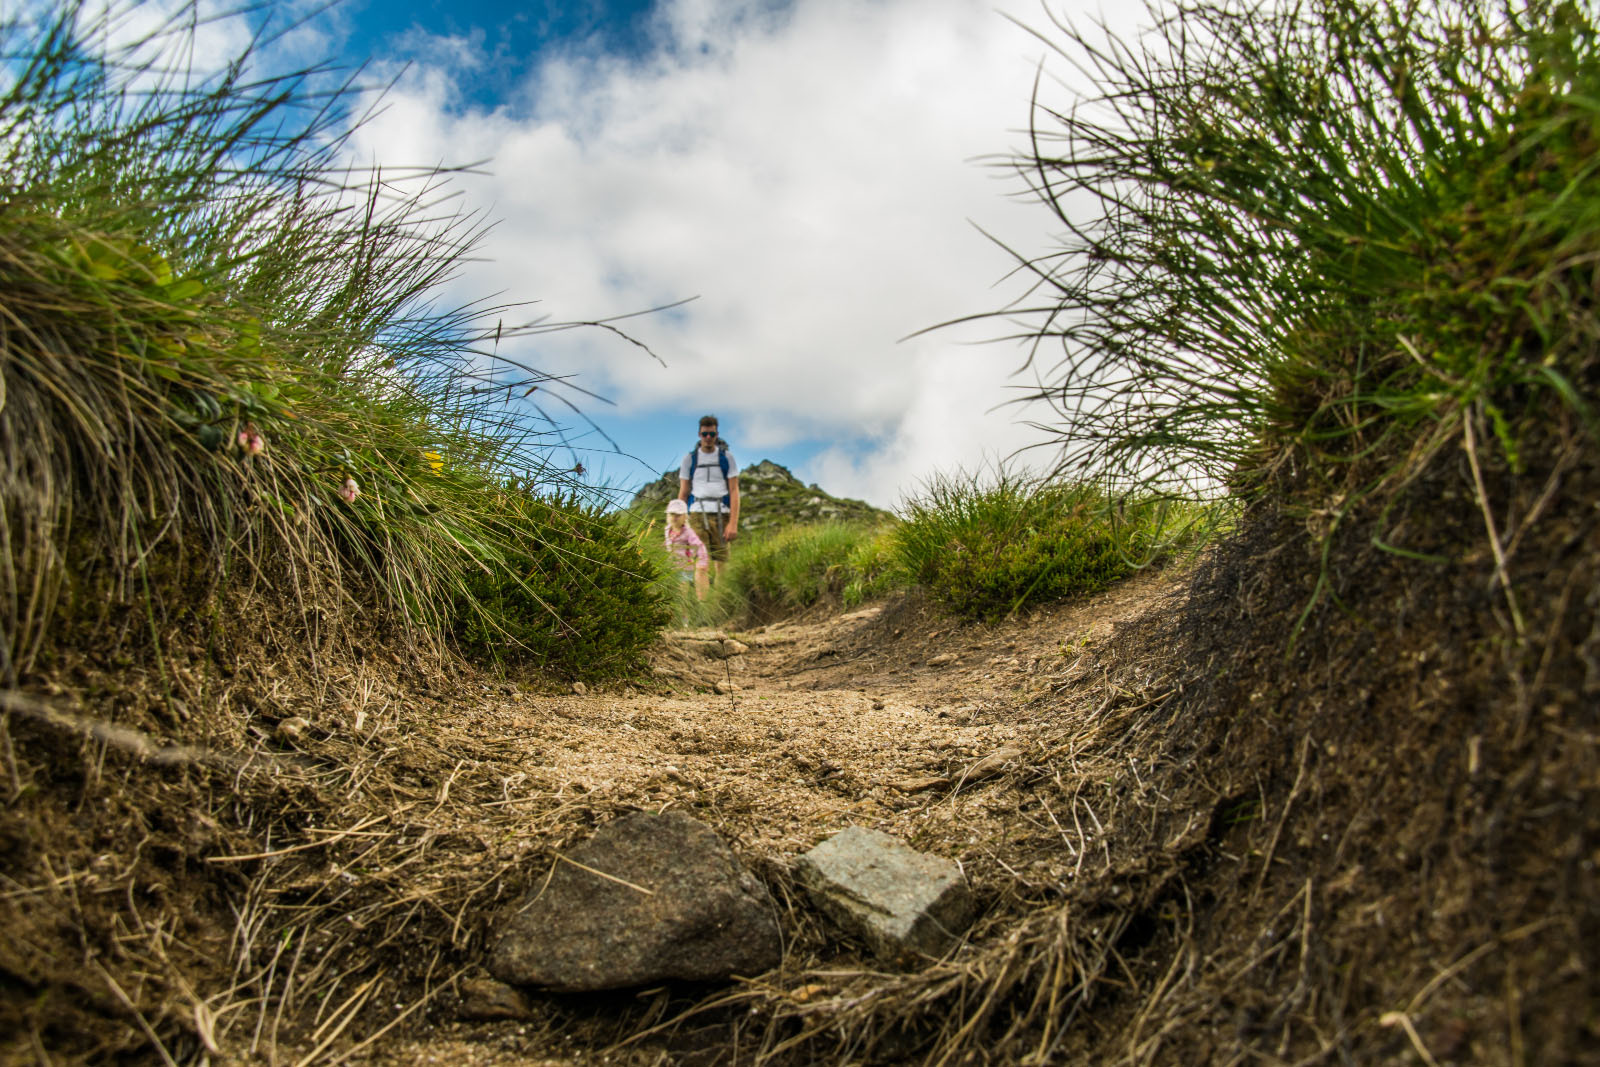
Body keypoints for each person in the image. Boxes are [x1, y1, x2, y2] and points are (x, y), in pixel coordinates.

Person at [677, 414, 739, 583]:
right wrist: (678, 524)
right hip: (697, 513)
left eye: (712, 434)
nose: (708, 438)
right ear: (699, 435)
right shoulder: (689, 460)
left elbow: (734, 491)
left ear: (716, 435)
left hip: (722, 514)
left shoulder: (727, 458)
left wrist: (733, 523)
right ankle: (703, 605)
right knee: (701, 563)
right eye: (705, 434)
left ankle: (720, 604)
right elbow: (683, 492)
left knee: (722, 564)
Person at [664, 498, 710, 605]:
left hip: (685, 567)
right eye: (672, 514)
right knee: (672, 591)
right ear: (668, 515)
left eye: (678, 514)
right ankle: (678, 611)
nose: (674, 517)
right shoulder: (668, 530)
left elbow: (699, 546)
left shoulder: (688, 532)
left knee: (682, 592)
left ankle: (685, 615)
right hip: (671, 566)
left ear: (685, 516)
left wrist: (702, 562)